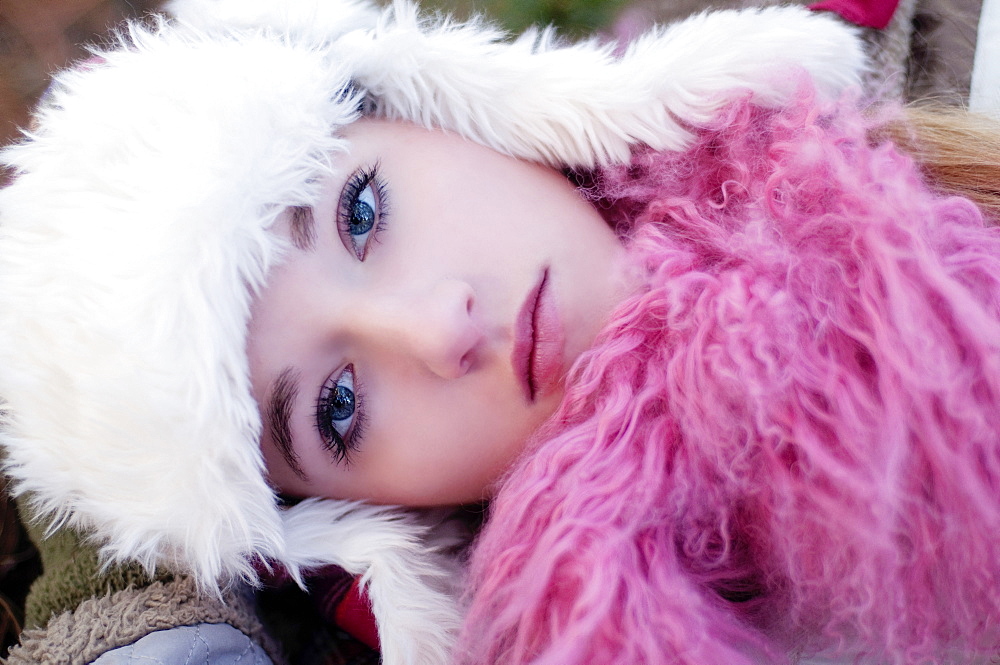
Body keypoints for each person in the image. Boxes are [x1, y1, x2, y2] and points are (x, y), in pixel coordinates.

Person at [4, 0, 995, 662]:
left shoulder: (948, 64)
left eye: (360, 211)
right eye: (337, 407)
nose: (439, 328)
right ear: (351, 521)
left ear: (443, 109)